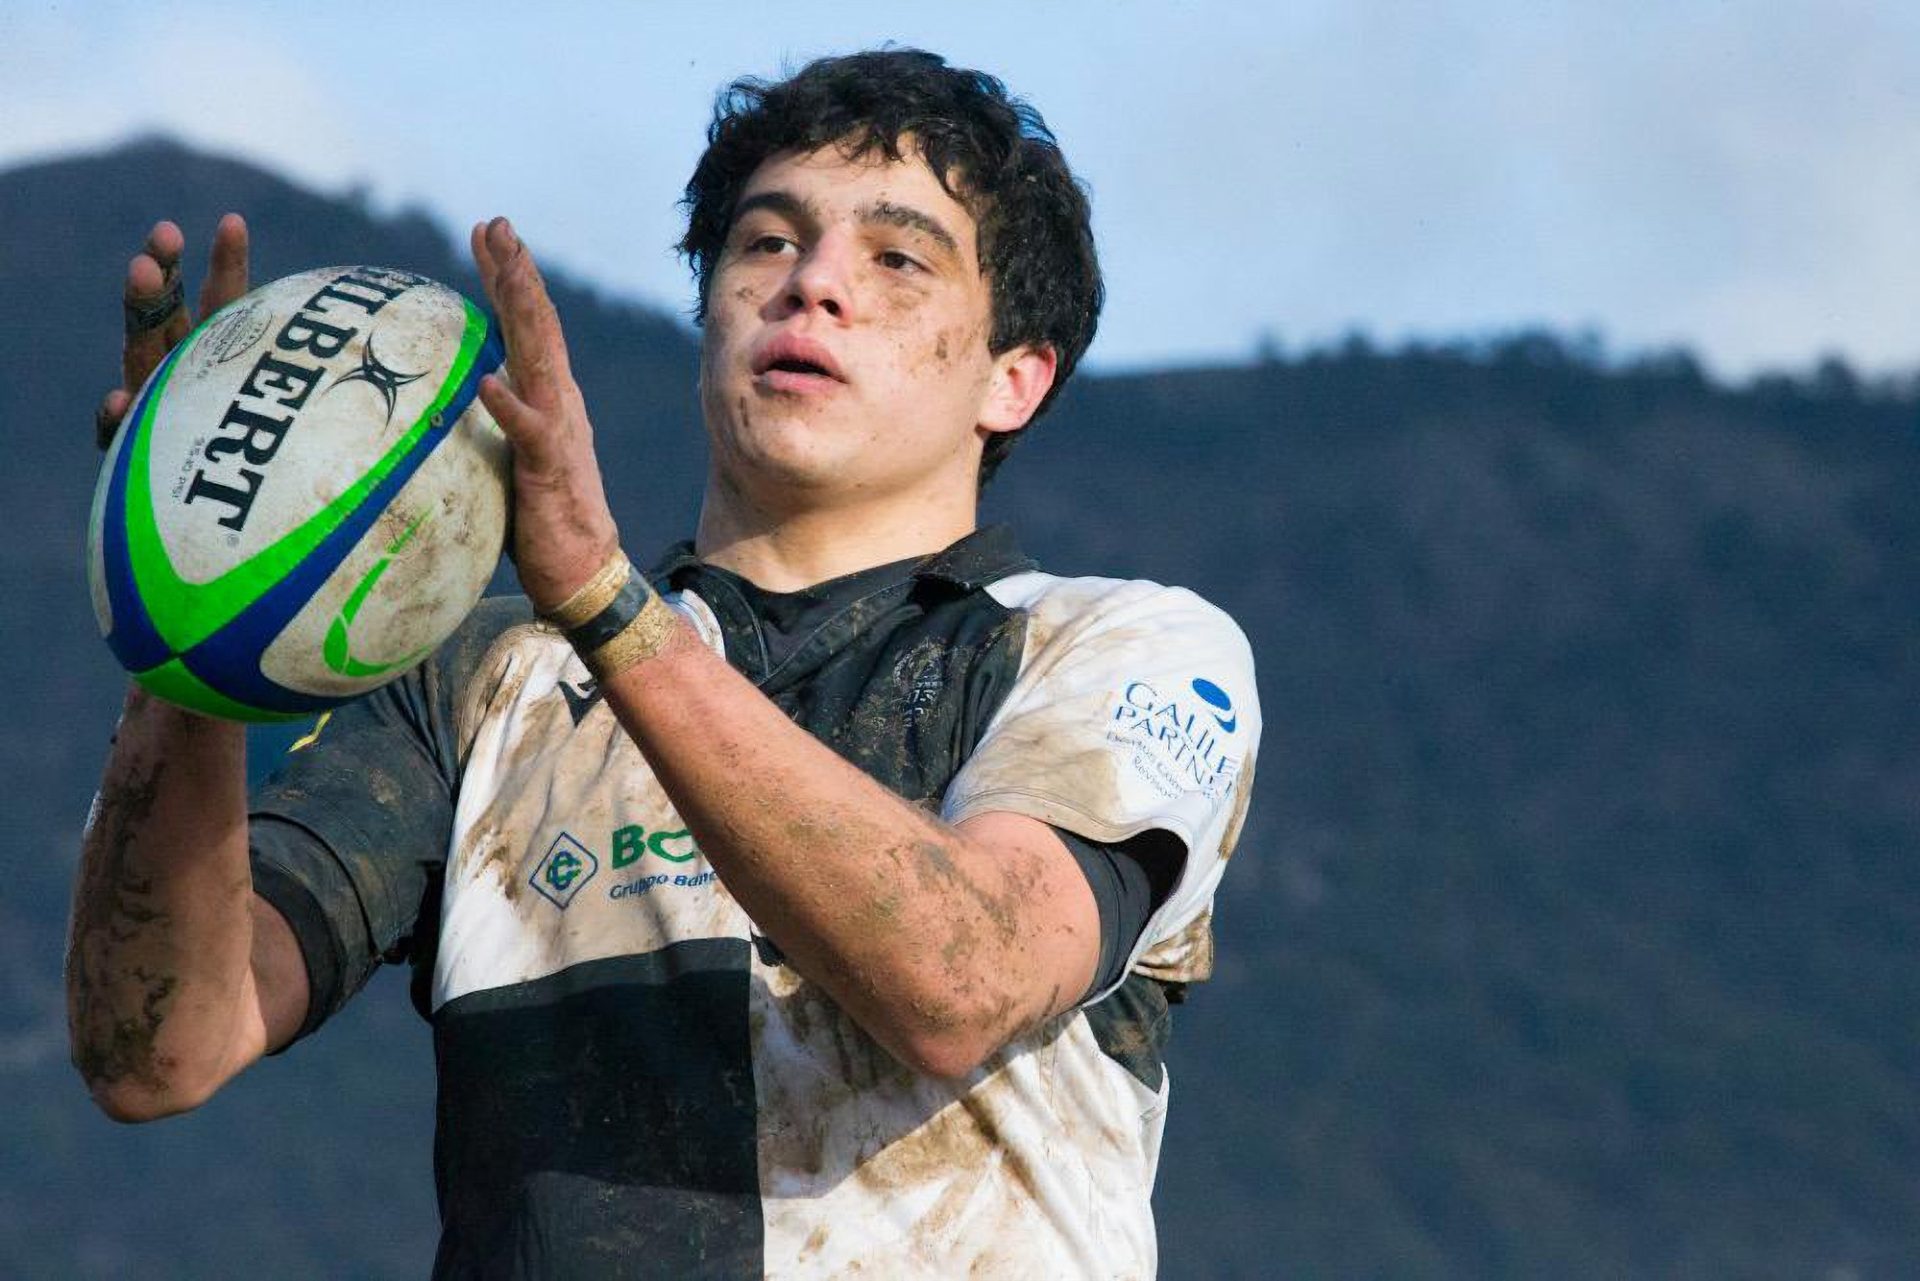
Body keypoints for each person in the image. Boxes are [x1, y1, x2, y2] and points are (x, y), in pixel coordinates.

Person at [68, 49, 1260, 1279]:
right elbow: (156, 1052)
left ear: (1014, 379)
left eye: (897, 259)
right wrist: (193, 600)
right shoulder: (487, 675)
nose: (812, 285)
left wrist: (602, 596)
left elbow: (961, 983)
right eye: (766, 242)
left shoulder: (1115, 647)